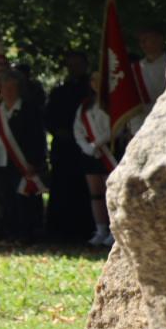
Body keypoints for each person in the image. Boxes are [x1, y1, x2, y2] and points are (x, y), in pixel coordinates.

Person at [43, 52, 96, 243]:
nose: (74, 68)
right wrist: (58, 131)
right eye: (70, 65)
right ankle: (60, 230)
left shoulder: (90, 93)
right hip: (63, 148)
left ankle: (87, 229)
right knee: (62, 189)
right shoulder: (60, 91)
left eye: (77, 64)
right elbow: (48, 117)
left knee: (84, 189)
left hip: (85, 146)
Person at [0, 72, 47, 243]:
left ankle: (28, 233)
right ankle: (11, 232)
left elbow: (38, 138)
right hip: (1, 161)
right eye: (4, 88)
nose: (7, 92)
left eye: (11, 88)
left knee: (24, 199)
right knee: (6, 198)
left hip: (23, 163)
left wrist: (34, 162)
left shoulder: (29, 110)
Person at [71, 75, 114, 247]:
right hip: (90, 154)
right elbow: (78, 129)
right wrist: (86, 147)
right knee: (96, 194)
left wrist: (97, 144)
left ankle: (113, 230)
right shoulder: (85, 105)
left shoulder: (112, 102)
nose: (96, 83)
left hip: (109, 152)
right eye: (93, 79)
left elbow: (116, 126)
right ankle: (101, 230)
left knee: (110, 192)